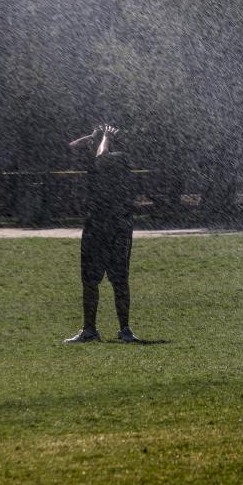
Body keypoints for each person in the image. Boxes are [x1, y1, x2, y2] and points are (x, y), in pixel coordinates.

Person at [64, 124, 140, 343]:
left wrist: (103, 137)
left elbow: (102, 157)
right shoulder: (96, 162)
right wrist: (91, 137)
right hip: (96, 226)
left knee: (119, 280)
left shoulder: (119, 158)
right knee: (89, 280)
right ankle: (89, 330)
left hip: (116, 227)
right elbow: (70, 147)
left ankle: (125, 329)